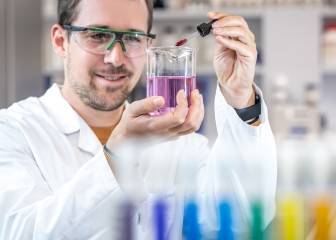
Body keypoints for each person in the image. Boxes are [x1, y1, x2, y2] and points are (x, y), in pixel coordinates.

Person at [0, 0, 277, 239]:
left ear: (149, 46)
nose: (115, 57)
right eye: (97, 35)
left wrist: (241, 99)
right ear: (61, 41)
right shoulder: (14, 131)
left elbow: (242, 222)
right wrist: (117, 155)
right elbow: (20, 234)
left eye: (132, 38)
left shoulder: (179, 143)